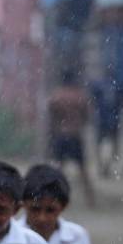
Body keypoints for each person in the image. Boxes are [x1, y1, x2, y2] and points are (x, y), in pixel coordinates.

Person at [46, 69, 97, 207]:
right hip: (75, 135)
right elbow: (87, 117)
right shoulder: (80, 97)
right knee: (83, 170)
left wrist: (53, 134)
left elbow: (51, 118)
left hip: (61, 136)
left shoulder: (56, 96)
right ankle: (90, 200)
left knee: (58, 170)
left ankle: (52, 198)